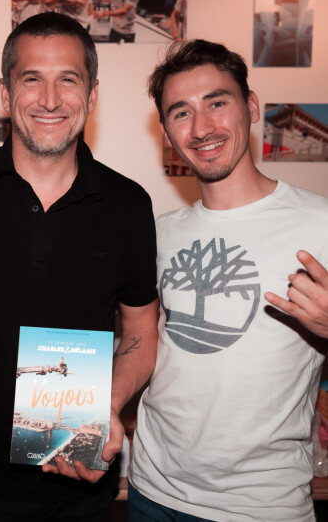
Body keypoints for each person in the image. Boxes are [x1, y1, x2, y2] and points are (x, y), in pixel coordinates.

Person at [0, 11, 159, 521]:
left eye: (69, 79)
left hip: (78, 487)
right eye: (31, 79)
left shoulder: (129, 204)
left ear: (93, 93)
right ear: (4, 92)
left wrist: (109, 404)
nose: (49, 99)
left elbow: (142, 331)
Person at [127, 39, 328, 521]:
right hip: (152, 492)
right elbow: (138, 340)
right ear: (166, 132)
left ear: (252, 107)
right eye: (181, 112)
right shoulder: (157, 233)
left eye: (217, 103)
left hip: (264, 505)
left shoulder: (321, 224)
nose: (202, 128)